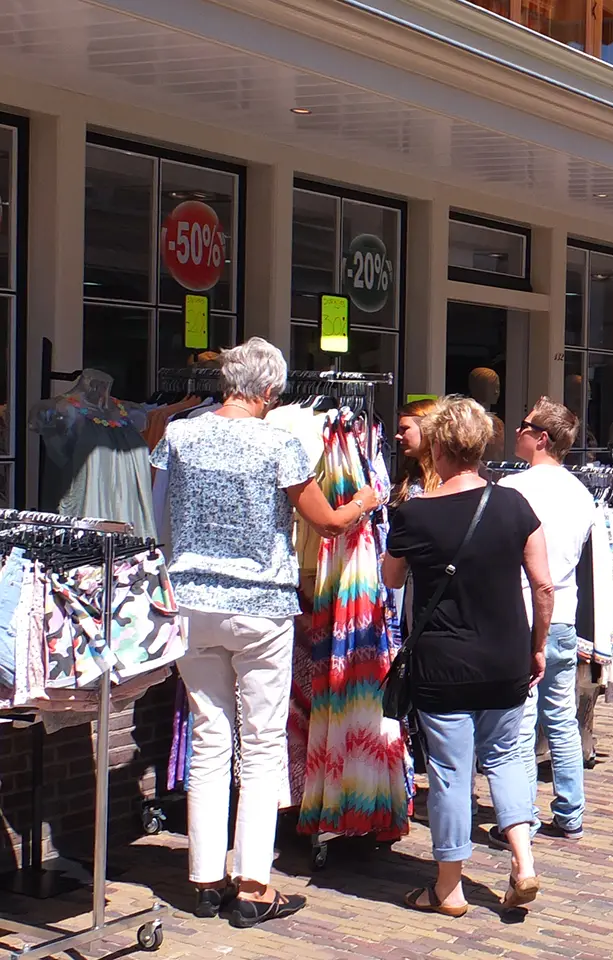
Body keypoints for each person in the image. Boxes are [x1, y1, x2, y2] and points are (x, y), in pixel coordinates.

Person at [153, 338, 383, 927]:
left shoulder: (179, 434)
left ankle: (205, 879)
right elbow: (328, 524)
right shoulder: (280, 443)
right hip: (261, 607)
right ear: (272, 392)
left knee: (209, 736)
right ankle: (254, 884)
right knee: (259, 744)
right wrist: (363, 499)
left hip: (192, 602)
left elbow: (160, 514)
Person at [383, 396, 552, 915]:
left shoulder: (413, 514)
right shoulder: (515, 506)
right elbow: (544, 587)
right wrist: (538, 646)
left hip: (443, 663)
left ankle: (449, 889)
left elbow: (390, 579)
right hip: (506, 656)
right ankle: (523, 862)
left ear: (436, 446)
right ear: (480, 447)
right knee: (506, 758)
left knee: (451, 772)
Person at [498, 398, 597, 841]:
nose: (515, 431)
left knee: (521, 722)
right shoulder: (582, 493)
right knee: (561, 717)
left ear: (542, 438)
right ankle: (571, 811)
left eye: (524, 425)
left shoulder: (515, 490)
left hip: (522, 614)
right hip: (563, 616)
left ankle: (524, 817)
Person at [393, 396, 443, 504]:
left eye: (404, 429)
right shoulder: (406, 475)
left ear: (427, 430)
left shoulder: (448, 477)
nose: (397, 436)